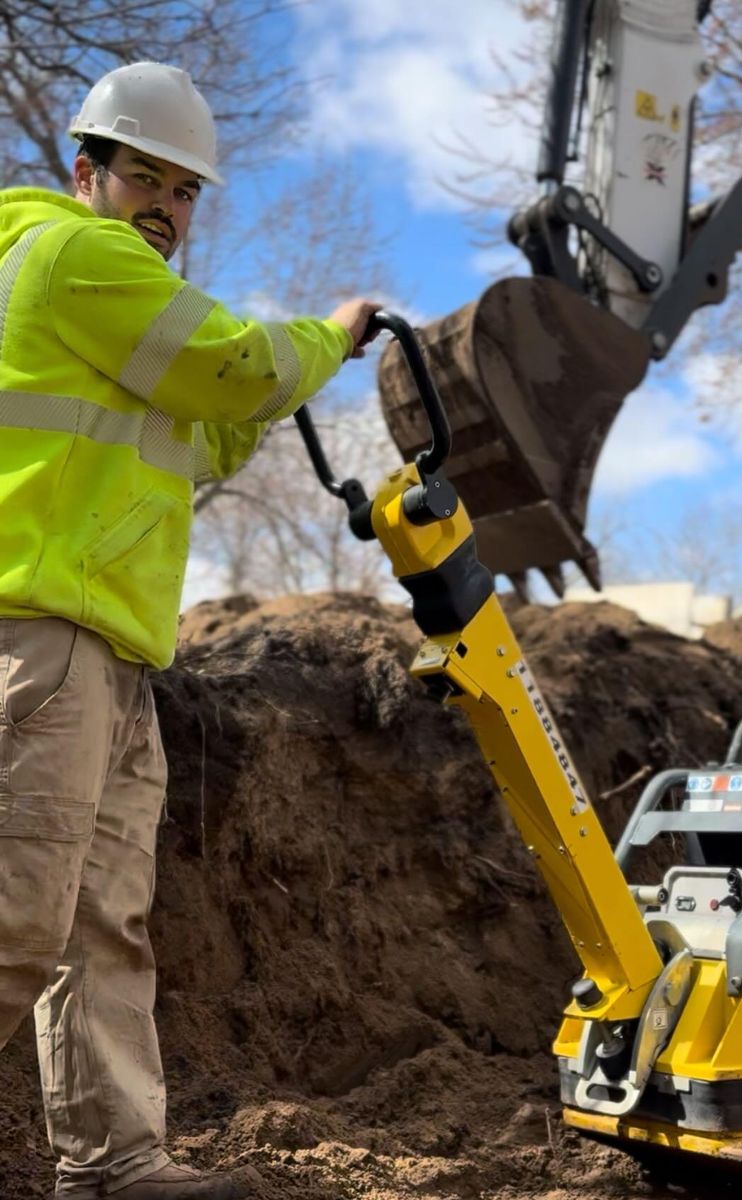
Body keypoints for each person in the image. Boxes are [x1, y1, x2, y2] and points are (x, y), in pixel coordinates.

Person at [0, 62, 382, 1199]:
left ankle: (114, 1162)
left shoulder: (121, 315)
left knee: (101, 929)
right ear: (88, 171)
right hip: (41, 635)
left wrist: (257, 397)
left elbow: (214, 423)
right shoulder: (77, 254)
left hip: (113, 657)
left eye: (187, 191)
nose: (167, 206)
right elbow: (237, 366)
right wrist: (327, 333)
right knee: (16, 919)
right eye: (146, 178)